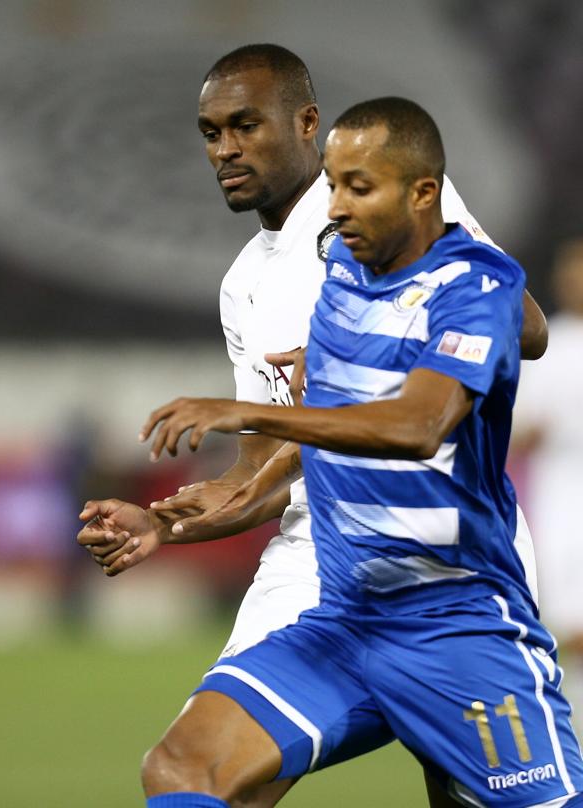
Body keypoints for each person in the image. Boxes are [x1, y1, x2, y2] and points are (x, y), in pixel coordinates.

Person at [78, 44, 547, 806]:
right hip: (314, 567)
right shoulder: (245, 286)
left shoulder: (390, 205)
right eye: (210, 132)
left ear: (306, 123)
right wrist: (162, 523)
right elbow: (264, 471)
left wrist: (371, 350)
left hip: (441, 560)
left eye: (244, 125)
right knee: (191, 773)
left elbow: (522, 324)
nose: (225, 148)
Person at [515, 238, 583, 724]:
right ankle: (572, 721)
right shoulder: (550, 342)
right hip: (561, 496)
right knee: (568, 618)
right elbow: (523, 430)